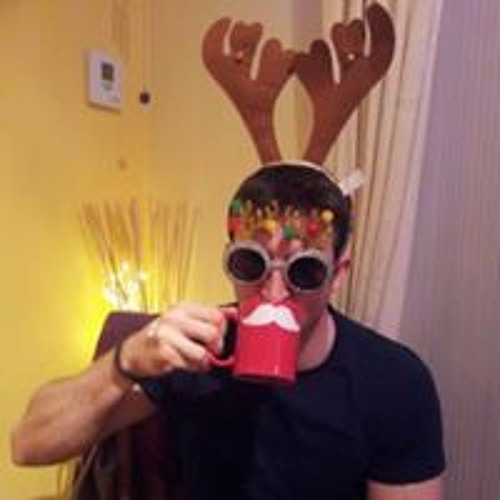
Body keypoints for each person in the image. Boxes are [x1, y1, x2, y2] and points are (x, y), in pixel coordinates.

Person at [11, 163, 445, 499]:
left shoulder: (393, 381)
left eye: (304, 270)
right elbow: (29, 444)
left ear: (338, 275)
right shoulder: (196, 351)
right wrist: (125, 362)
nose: (274, 292)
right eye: (252, 264)